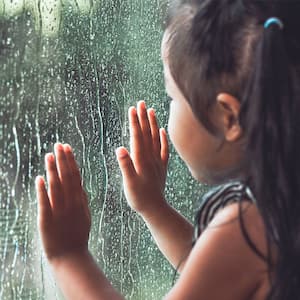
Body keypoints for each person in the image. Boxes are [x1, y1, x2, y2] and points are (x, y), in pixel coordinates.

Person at [35, 1, 300, 299]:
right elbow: (212, 276)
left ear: (228, 116)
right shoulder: (280, 206)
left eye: (172, 97)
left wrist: (68, 256)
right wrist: (154, 207)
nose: (168, 108)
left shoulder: (251, 225)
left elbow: (218, 266)